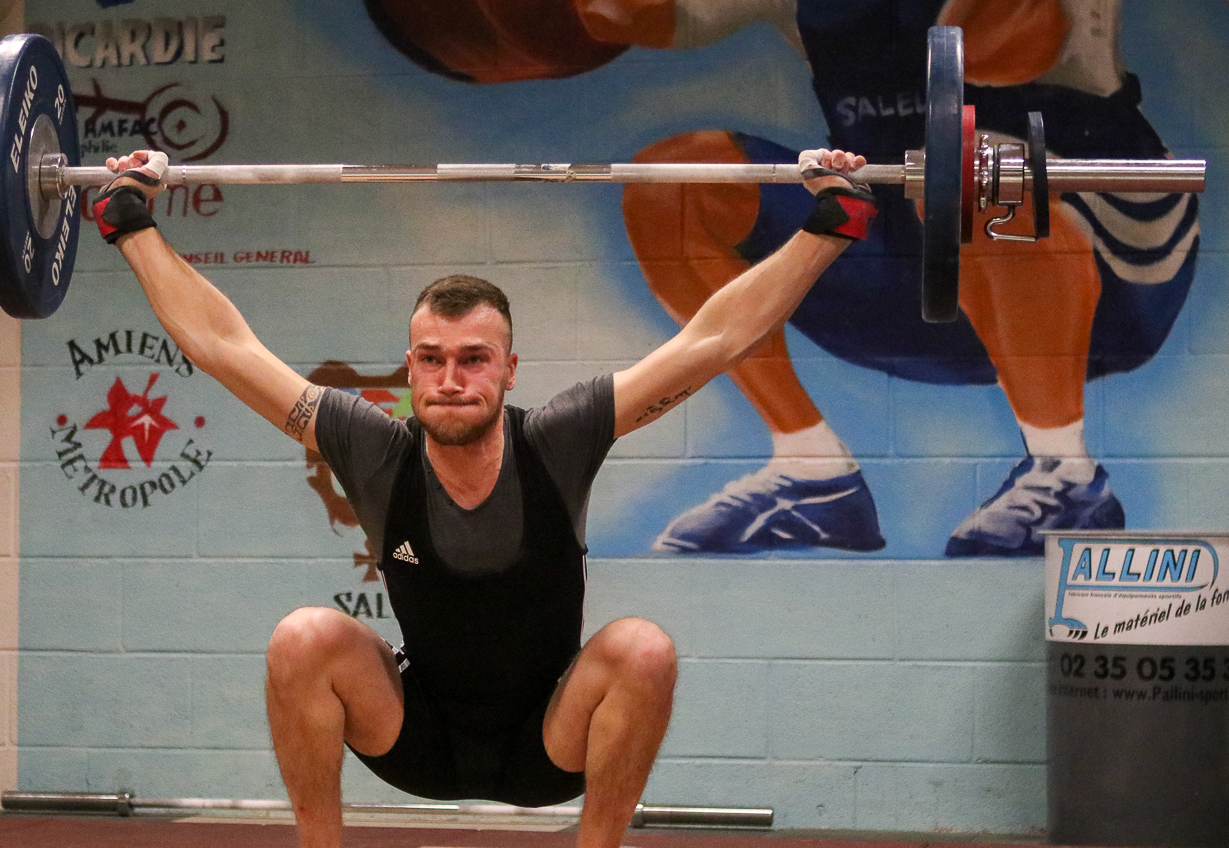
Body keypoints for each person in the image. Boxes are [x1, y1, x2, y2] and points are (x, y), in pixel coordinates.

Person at [93, 143, 876, 848]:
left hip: (549, 741)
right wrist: (130, 223)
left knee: (643, 648)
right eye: (432, 360)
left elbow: (711, 341)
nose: (451, 379)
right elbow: (223, 345)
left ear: (508, 371)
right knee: (304, 637)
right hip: (416, 735)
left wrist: (829, 225)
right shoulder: (370, 446)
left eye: (474, 360)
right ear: (410, 370)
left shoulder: (561, 438)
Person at [361, 0, 1197, 557]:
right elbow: (636, 15)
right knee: (677, 185)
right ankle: (813, 471)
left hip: (1112, 265)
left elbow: (1005, 45)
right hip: (913, 272)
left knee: (971, 165)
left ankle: (1065, 473)